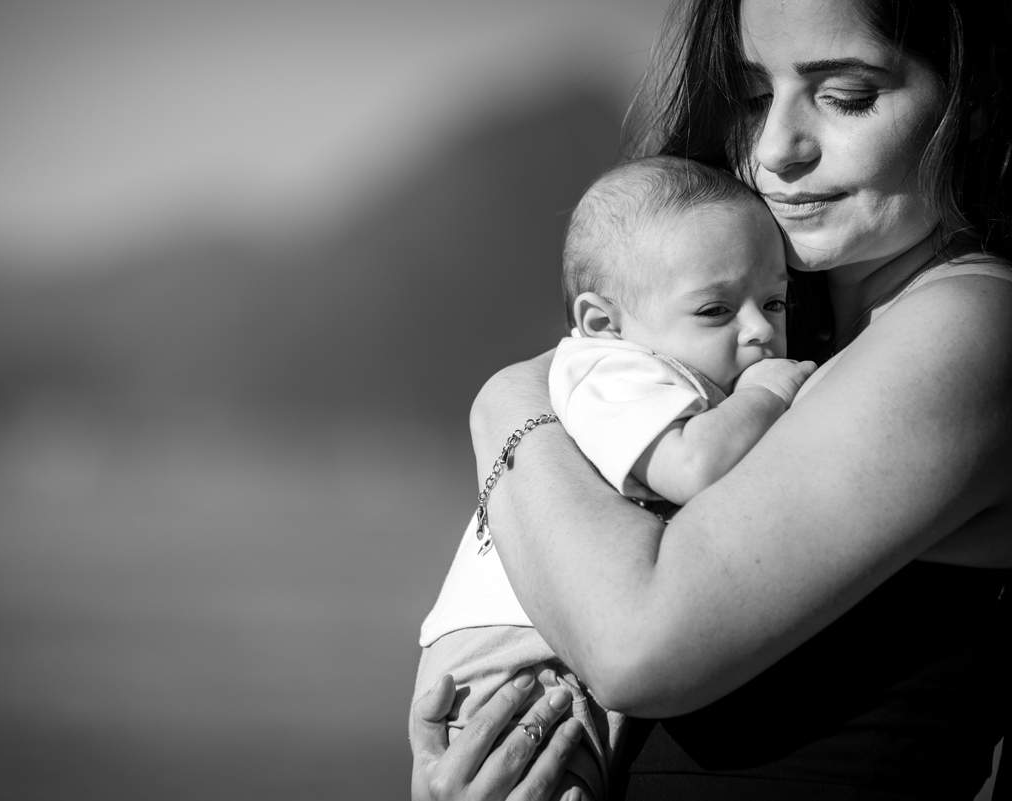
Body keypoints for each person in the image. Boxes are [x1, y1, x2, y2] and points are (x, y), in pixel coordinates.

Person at [409, 0, 1012, 798]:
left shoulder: (973, 324)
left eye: (848, 96)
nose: (776, 149)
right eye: (755, 95)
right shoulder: (789, 340)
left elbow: (633, 644)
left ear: (968, 104)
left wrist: (508, 401)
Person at [413, 156, 816, 800]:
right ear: (605, 323)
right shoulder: (610, 372)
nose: (761, 331)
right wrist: (770, 395)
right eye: (716, 310)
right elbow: (695, 466)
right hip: (512, 663)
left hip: (546, 645)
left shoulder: (659, 372)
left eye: (773, 301)